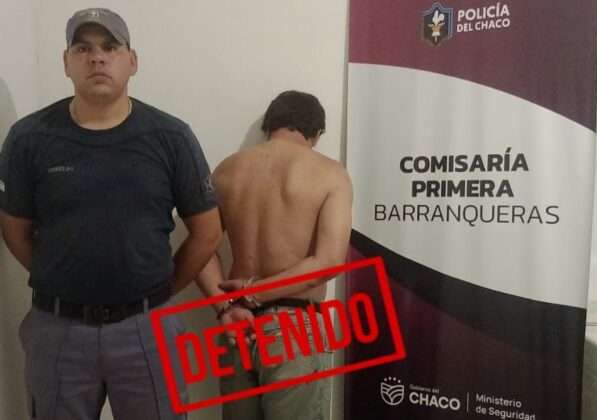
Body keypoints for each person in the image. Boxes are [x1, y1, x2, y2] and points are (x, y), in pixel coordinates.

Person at [0, 8, 221, 420]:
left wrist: (160, 289)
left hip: (147, 328)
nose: (97, 58)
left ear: (132, 61)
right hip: (58, 329)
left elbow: (208, 231)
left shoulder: (171, 137)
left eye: (110, 47)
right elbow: (14, 231)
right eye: (82, 48)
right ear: (66, 62)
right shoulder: (30, 138)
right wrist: (60, 275)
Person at [197, 90, 353, 420]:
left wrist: (225, 305)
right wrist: (255, 292)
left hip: (237, 325)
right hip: (295, 326)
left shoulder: (226, 171)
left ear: (270, 125)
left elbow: (199, 247)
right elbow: (328, 263)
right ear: (316, 133)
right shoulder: (329, 173)